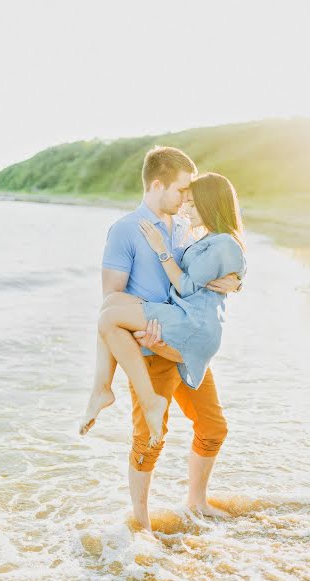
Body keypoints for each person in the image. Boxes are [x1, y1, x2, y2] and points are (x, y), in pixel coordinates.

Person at [80, 147, 244, 532]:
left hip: (185, 338)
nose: (188, 199)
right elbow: (112, 300)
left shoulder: (187, 226)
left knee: (212, 426)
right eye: (182, 190)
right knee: (150, 439)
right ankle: (140, 525)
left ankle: (197, 503)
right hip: (150, 347)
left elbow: (211, 268)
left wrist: (236, 280)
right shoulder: (124, 230)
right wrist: (142, 333)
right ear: (158, 185)